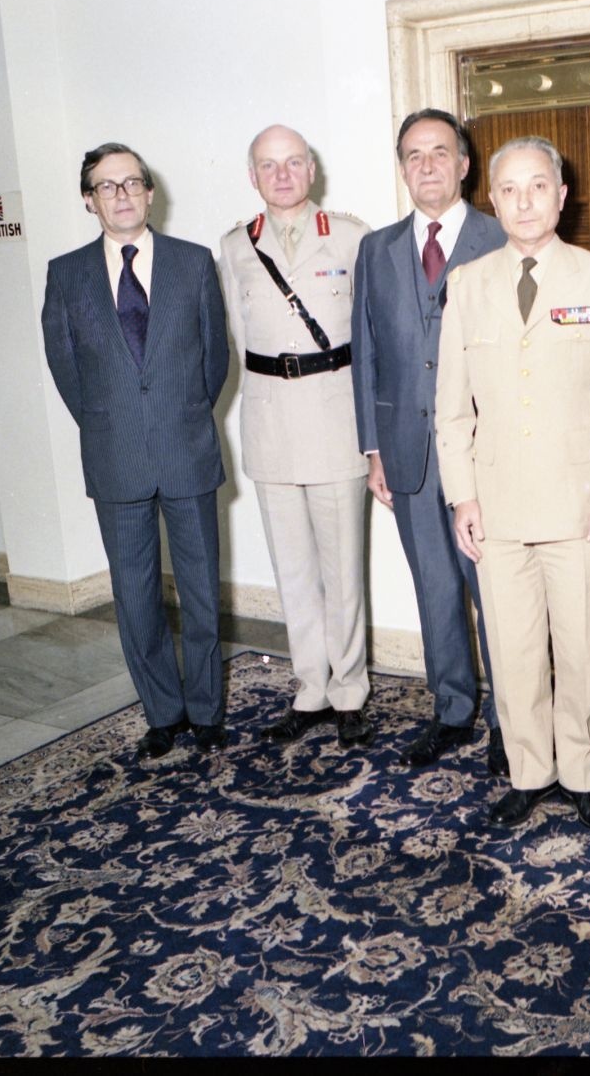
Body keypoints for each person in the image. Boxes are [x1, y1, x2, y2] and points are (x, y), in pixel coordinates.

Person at [434, 136, 590, 831]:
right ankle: (530, 771)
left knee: (583, 649)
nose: (524, 201)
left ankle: (584, 773)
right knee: (515, 650)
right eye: (510, 189)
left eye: (538, 187)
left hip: (579, 505)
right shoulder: (467, 284)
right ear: (491, 200)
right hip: (495, 506)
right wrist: (461, 494)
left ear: (562, 196)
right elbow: (451, 404)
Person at [41, 142, 230, 760]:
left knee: (201, 590)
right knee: (136, 593)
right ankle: (163, 714)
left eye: (131, 182)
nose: (121, 194)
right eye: (106, 185)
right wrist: (115, 422)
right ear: (89, 200)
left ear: (150, 193)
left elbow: (213, 361)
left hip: (187, 451)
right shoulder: (65, 274)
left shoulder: (194, 263)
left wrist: (173, 416)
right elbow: (66, 369)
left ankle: (205, 711)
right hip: (115, 456)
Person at [351, 109, 509, 776]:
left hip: (486, 455)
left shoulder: (503, 237)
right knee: (436, 587)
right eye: (413, 154)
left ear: (464, 163)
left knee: (496, 591)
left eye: (439, 152)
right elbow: (366, 351)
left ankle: (512, 719)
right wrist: (373, 448)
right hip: (409, 450)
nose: (426, 166)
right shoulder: (378, 249)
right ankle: (451, 709)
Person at [219, 125, 374, 750]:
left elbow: (370, 335)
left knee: (343, 569)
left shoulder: (353, 237)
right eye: (267, 165)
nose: (281, 175)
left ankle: (351, 690)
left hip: (336, 419)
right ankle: (310, 687)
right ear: (252, 177)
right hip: (270, 423)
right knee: (293, 570)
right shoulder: (234, 246)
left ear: (311, 170)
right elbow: (233, 338)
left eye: (292, 163)